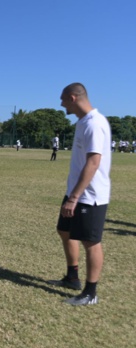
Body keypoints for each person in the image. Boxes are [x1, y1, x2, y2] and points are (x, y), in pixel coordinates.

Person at [47, 83, 111, 306]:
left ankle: (90, 292)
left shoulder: (94, 124)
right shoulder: (82, 123)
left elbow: (93, 163)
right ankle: (72, 277)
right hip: (75, 192)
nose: (61, 103)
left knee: (90, 241)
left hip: (89, 196)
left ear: (73, 98)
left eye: (63, 99)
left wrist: (74, 197)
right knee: (64, 230)